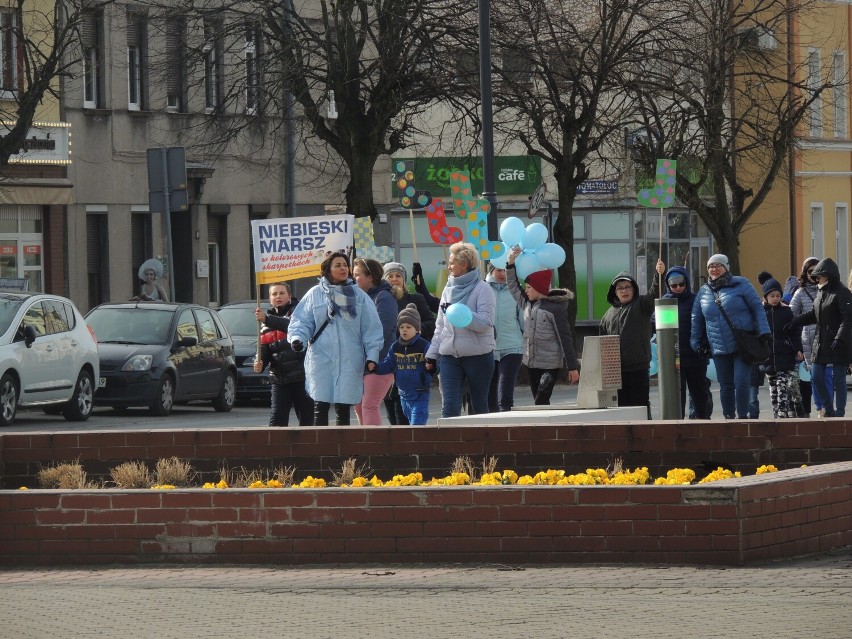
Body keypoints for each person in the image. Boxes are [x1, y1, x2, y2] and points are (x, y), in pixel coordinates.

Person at [287, 252, 383, 426]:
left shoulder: (359, 296)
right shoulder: (315, 294)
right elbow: (302, 321)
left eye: (345, 265)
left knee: (343, 407)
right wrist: (297, 338)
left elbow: (372, 328)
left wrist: (372, 355)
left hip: (349, 357)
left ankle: (342, 448)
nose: (343, 268)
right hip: (321, 357)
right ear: (328, 270)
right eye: (338, 265)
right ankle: (322, 449)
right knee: (320, 404)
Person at [691, 254, 771, 419]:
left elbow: (757, 307)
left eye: (718, 265)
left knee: (741, 381)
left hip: (742, 343)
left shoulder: (741, 284)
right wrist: (696, 343)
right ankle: (728, 418)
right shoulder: (704, 292)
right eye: (711, 266)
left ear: (726, 267)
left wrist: (764, 330)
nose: (714, 269)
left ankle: (742, 417)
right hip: (718, 346)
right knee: (725, 385)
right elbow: (696, 319)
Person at [425, 241, 496, 417]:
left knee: (478, 407)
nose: (448, 266)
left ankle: (480, 444)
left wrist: (465, 316)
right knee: (449, 405)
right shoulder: (448, 289)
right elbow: (440, 325)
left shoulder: (483, 289)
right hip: (449, 356)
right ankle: (450, 444)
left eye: (451, 263)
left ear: (464, 265)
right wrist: (432, 354)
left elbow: (486, 323)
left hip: (478, 357)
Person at [505, 249, 580, 404]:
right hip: (532, 363)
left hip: (550, 365)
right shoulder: (526, 304)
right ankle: (544, 426)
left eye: (529, 287)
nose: (526, 290)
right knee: (538, 402)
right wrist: (510, 263)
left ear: (539, 289)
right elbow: (513, 286)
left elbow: (565, 338)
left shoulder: (555, 309)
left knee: (541, 398)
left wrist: (572, 366)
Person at [786, 257, 852, 417]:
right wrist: (795, 322)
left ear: (828, 275)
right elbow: (815, 314)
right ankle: (828, 408)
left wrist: (839, 338)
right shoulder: (821, 291)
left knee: (839, 380)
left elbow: (847, 318)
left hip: (838, 342)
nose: (816, 279)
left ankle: (840, 411)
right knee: (816, 377)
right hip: (820, 341)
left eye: (818, 276)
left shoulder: (841, 292)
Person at [600, 259, 666, 418]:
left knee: (640, 406)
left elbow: (655, 291)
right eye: (620, 288)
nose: (624, 291)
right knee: (620, 410)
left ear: (634, 289)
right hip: (615, 373)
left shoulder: (642, 305)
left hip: (638, 368)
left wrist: (659, 275)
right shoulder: (607, 316)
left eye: (627, 287)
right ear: (614, 291)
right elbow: (601, 345)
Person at [381, 261, 436, 424]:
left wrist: (416, 330)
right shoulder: (380, 300)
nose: (394, 279)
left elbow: (431, 322)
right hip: (389, 357)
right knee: (391, 411)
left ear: (404, 279)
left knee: (406, 415)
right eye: (390, 276)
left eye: (398, 276)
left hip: (411, 362)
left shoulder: (416, 299)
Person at [253, 283, 313, 426]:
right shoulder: (265, 323)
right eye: (274, 294)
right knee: (276, 423)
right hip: (279, 379)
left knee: (307, 422)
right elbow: (264, 348)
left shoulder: (298, 313)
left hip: (302, 378)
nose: (278, 296)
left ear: (289, 296)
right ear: (269, 298)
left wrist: (267, 319)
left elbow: (291, 325)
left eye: (281, 293)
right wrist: (260, 362)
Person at [369, 304, 434, 424]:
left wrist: (431, 367)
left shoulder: (424, 345)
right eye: (402, 327)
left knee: (417, 426)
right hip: (403, 395)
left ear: (417, 329)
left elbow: (434, 364)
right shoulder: (395, 347)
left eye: (409, 327)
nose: (404, 329)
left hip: (420, 393)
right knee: (408, 426)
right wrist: (375, 368)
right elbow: (388, 365)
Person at [352, 257, 398, 425]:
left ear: (370, 277)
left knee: (369, 405)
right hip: (362, 362)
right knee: (359, 406)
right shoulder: (360, 298)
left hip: (380, 361)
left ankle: (373, 448)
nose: (353, 278)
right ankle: (365, 445)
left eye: (357, 275)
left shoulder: (384, 297)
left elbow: (382, 331)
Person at [662, 265, 711, 419]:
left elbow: (706, 324)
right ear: (668, 285)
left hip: (695, 357)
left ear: (687, 282)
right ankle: (679, 427)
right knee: (677, 397)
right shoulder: (665, 303)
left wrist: (704, 345)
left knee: (700, 395)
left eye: (681, 283)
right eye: (673, 285)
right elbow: (661, 331)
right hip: (674, 359)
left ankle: (703, 425)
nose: (678, 287)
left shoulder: (696, 300)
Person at [760, 276, 803, 418]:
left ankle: (783, 413)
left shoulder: (786, 312)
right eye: (772, 296)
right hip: (768, 355)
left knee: (782, 385)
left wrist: (798, 349)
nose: (775, 298)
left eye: (778, 295)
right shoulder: (761, 313)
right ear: (765, 296)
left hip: (784, 354)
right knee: (773, 386)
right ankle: (776, 413)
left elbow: (795, 332)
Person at [790, 257, 825, 417]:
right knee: (812, 377)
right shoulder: (800, 292)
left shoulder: (828, 289)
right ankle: (813, 411)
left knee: (826, 377)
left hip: (827, 337)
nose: (814, 274)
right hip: (808, 341)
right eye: (810, 271)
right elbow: (791, 316)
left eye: (817, 270)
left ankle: (825, 408)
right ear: (805, 273)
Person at [486, 264, 524, 411]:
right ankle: (493, 428)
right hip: (489, 348)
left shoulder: (516, 290)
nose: (502, 274)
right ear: (491, 271)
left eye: (505, 270)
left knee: (505, 393)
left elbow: (523, 320)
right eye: (498, 270)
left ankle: (507, 426)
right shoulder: (483, 288)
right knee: (490, 393)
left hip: (512, 346)